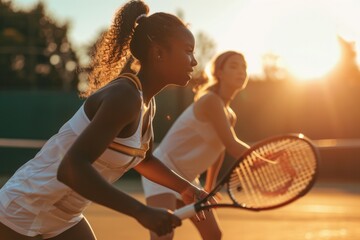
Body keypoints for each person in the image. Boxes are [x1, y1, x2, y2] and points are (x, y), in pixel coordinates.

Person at [0, 1, 207, 239]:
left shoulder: (146, 105)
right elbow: (70, 168)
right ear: (158, 52)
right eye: (188, 50)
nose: (194, 61)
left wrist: (186, 188)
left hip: (64, 218)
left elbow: (144, 160)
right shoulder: (125, 96)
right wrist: (141, 211)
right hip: (24, 208)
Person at [142, 50, 250, 240]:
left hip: (189, 179)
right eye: (234, 66)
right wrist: (271, 161)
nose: (241, 71)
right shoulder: (210, 101)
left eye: (244, 67)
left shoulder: (229, 115)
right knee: (163, 236)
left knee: (213, 235)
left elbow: (220, 148)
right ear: (219, 72)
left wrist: (209, 186)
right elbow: (232, 145)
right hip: (162, 170)